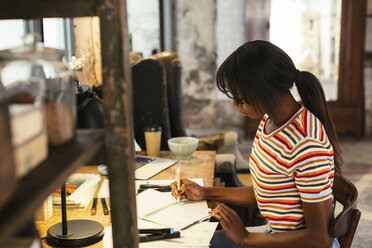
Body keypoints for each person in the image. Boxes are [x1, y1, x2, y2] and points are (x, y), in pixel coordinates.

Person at [171, 40, 342, 248]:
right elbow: (267, 190)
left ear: (264, 91)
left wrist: (246, 238)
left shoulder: (307, 145)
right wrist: (205, 192)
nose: (235, 105)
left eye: (240, 98)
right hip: (275, 234)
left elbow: (320, 240)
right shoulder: (269, 121)